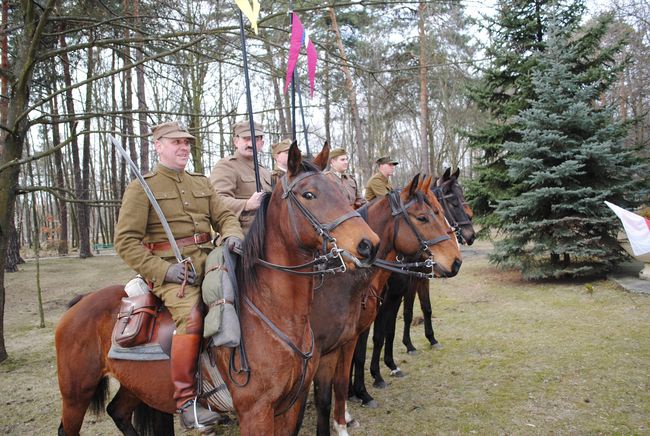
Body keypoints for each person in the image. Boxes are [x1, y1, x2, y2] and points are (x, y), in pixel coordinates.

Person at [114, 121, 244, 430]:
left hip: (210, 260)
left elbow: (225, 216)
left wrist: (231, 235)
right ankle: (188, 403)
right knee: (194, 317)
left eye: (186, 142)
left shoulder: (200, 182)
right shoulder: (142, 187)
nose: (184, 147)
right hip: (172, 270)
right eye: (176, 142)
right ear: (158, 146)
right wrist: (163, 270)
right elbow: (125, 241)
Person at [210, 119, 272, 235]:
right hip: (241, 235)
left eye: (256, 139)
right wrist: (246, 204)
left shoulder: (264, 171)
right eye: (246, 138)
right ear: (236, 141)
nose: (250, 144)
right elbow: (216, 201)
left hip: (269, 233)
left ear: (262, 144)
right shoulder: (227, 165)